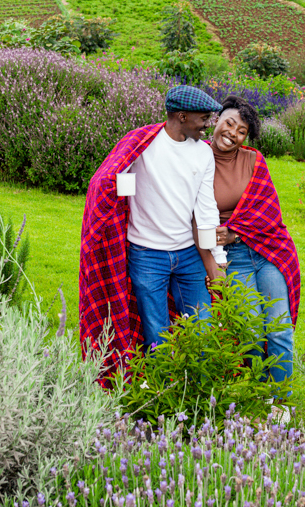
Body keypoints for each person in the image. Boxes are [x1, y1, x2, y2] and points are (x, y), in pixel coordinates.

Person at [78, 85, 226, 372]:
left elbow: (205, 211)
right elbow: (114, 185)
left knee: (203, 328)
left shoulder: (203, 155)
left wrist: (217, 257)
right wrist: (125, 193)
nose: (209, 124)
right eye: (204, 118)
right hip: (146, 256)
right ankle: (162, 400)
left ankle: (199, 391)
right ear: (182, 116)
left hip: (188, 256)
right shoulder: (141, 144)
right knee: (156, 335)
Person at [198, 95, 301, 385]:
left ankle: (281, 401)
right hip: (234, 260)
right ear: (217, 119)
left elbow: (268, 211)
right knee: (251, 333)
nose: (232, 133)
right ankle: (256, 398)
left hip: (268, 253)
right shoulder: (196, 157)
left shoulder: (255, 160)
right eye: (229, 123)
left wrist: (235, 231)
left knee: (279, 330)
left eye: (241, 131)